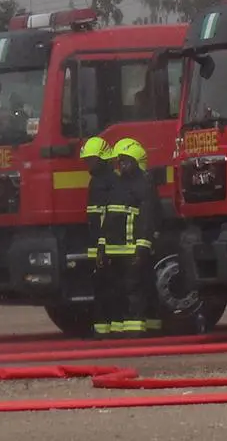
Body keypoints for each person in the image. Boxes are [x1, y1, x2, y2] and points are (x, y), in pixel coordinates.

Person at [100, 138, 158, 338]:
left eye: (125, 161)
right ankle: (119, 327)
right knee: (116, 290)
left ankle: (135, 328)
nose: (122, 165)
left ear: (136, 161)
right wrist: (102, 246)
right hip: (114, 249)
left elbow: (147, 219)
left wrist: (142, 248)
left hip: (132, 248)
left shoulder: (144, 185)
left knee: (134, 287)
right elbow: (107, 218)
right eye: (120, 161)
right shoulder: (116, 185)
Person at [79, 136, 117, 339]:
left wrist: (102, 245)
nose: (88, 164)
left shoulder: (108, 182)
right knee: (101, 286)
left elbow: (108, 216)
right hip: (98, 242)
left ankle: (108, 328)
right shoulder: (98, 181)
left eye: (91, 160)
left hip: (106, 243)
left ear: (102, 159)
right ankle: (103, 328)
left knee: (108, 287)